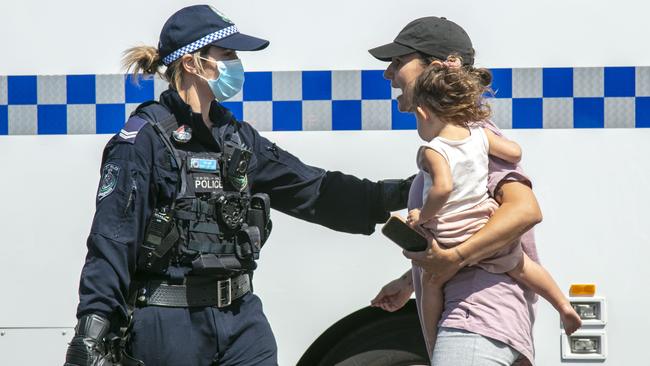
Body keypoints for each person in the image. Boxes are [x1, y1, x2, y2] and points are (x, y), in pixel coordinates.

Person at [63, 5, 411, 366]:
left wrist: (400, 193)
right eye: (226, 54)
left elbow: (310, 188)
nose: (235, 64)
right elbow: (113, 240)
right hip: (170, 325)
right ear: (192, 63)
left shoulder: (237, 138)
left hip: (242, 322)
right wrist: (92, 332)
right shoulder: (143, 141)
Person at [369, 17, 549, 365]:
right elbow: (470, 225)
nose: (388, 74)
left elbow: (525, 211)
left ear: (433, 69)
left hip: (475, 318)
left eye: (397, 62)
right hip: (483, 321)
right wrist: (411, 279)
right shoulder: (464, 137)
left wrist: (454, 259)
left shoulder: (472, 137)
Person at [404, 55, 581, 354]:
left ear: (423, 113)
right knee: (523, 266)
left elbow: (443, 188)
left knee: (431, 284)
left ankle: (434, 343)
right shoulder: (481, 135)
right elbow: (514, 152)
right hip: (485, 226)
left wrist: (423, 215)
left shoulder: (432, 150)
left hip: (453, 236)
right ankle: (563, 305)